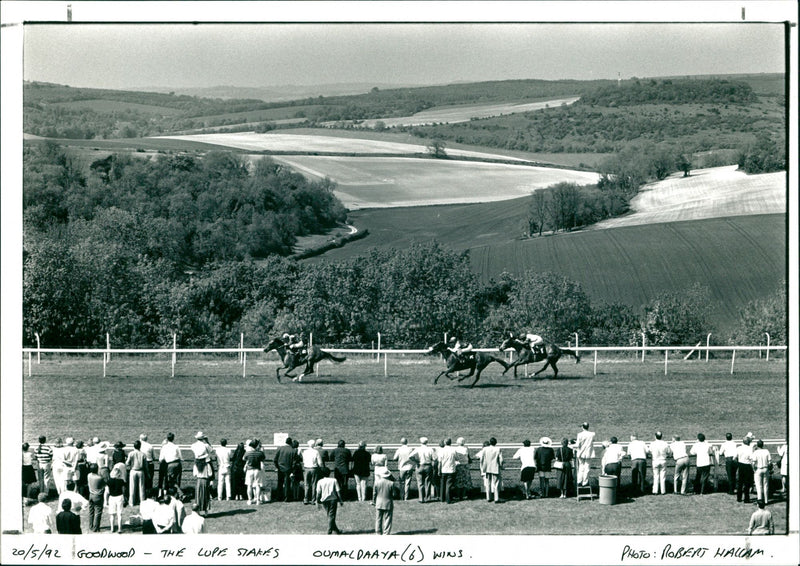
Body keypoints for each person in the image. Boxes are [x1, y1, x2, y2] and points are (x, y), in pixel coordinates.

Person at [315, 467, 344, 535]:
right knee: (331, 515)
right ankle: (329, 530)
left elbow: (318, 493)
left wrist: (317, 501)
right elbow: (338, 491)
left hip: (324, 500)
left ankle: (336, 530)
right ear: (329, 473)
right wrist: (340, 500)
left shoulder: (320, 481)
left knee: (330, 515)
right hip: (333, 499)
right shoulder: (334, 480)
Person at [159, 433, 184, 500]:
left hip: (170, 465)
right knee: (177, 480)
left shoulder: (164, 447)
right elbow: (181, 458)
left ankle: (180, 494)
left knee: (171, 481)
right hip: (178, 464)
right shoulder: (176, 446)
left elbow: (161, 459)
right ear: (173, 438)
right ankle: (177, 495)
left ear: (167, 438)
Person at [411, 437, 437, 503]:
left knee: (420, 483)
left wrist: (416, 461)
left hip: (420, 465)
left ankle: (421, 498)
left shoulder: (418, 449)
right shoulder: (430, 449)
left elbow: (410, 456)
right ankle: (427, 498)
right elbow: (435, 458)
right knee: (428, 482)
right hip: (428, 466)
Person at [479, 437, 504, 503]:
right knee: (496, 483)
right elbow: (501, 459)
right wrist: (501, 466)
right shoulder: (498, 449)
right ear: (496, 443)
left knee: (488, 483)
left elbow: (481, 459)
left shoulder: (485, 449)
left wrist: (482, 466)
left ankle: (488, 497)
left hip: (487, 467)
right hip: (495, 467)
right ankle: (496, 498)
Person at [243, 439, 266, 505]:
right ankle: (258, 500)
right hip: (257, 470)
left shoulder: (247, 453)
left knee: (249, 485)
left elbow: (244, 458)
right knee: (258, 485)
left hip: (250, 470)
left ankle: (250, 500)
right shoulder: (260, 453)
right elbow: (263, 459)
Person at [273, 436, 295, 502]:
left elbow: (275, 459)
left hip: (280, 468)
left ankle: (279, 497)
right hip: (288, 469)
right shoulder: (293, 450)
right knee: (287, 484)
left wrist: (277, 467)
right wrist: (292, 470)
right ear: (291, 443)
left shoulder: (280, 449)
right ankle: (287, 497)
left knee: (280, 483)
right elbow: (294, 463)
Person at [106, 462, 127, 533]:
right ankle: (120, 529)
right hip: (119, 497)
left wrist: (106, 500)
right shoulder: (121, 481)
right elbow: (123, 490)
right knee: (119, 514)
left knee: (112, 514)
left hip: (112, 497)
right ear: (119, 474)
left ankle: (112, 528)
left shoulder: (109, 481)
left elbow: (107, 492)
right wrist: (125, 497)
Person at [374, 467, 395, 535]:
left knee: (378, 519)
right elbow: (394, 494)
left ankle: (378, 532)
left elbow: (374, 494)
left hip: (379, 502)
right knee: (388, 519)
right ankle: (386, 533)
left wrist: (374, 501)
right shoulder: (391, 483)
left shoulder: (377, 482)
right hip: (388, 502)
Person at [302, 439, 323, 504]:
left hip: (306, 468)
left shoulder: (305, 452)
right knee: (314, 484)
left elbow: (303, 460)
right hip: (314, 468)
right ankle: (313, 499)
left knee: (306, 484)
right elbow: (320, 462)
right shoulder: (316, 452)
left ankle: (306, 499)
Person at [126, 439, 147, 507]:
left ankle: (131, 502)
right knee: (142, 487)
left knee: (132, 487)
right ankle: (142, 502)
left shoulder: (131, 453)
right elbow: (145, 465)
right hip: (141, 471)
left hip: (133, 470)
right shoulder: (143, 454)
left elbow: (127, 463)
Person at [86, 463, 106, 532]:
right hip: (97, 496)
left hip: (91, 495)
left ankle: (90, 526)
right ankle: (96, 527)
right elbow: (104, 485)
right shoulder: (99, 478)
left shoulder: (89, 475)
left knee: (91, 511)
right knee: (98, 512)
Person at [751, 439, 772, 504]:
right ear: (763, 445)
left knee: (758, 486)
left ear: (757, 445)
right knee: (766, 485)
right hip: (765, 468)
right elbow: (770, 462)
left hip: (758, 469)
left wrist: (754, 469)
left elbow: (753, 463)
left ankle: (760, 500)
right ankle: (766, 500)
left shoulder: (756, 452)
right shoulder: (766, 451)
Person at [575, 423, 596, 488]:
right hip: (588, 453)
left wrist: (571, 445)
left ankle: (579, 481)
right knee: (587, 468)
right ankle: (585, 482)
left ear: (582, 427)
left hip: (581, 453)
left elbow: (577, 445)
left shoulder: (580, 434)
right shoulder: (592, 434)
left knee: (581, 467)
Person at [438, 438, 458, 504]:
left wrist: (438, 470)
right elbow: (456, 458)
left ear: (444, 443)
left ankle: (442, 498)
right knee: (449, 485)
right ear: (450, 443)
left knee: (442, 484)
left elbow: (439, 462)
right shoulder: (453, 450)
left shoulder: (441, 450)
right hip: (451, 469)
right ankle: (448, 499)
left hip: (443, 469)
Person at [736, 436, 755, 503]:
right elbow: (752, 458)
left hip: (740, 465)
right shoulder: (750, 449)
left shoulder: (739, 448)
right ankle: (746, 498)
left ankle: (739, 498)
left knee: (740, 482)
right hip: (747, 465)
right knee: (747, 483)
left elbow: (735, 457)